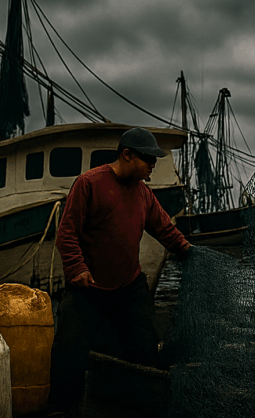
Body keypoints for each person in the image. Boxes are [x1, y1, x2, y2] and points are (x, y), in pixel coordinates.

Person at [48, 127, 192, 414]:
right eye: (148, 158)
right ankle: (62, 409)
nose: (153, 164)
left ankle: (136, 403)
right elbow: (66, 233)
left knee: (146, 348)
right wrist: (76, 267)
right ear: (127, 154)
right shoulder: (89, 184)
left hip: (129, 287)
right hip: (89, 288)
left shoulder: (143, 194)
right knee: (69, 351)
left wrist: (189, 251)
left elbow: (164, 228)